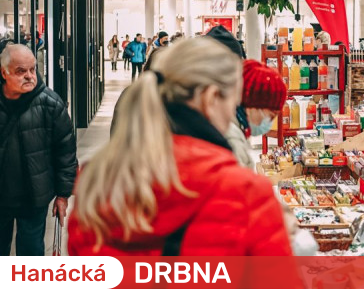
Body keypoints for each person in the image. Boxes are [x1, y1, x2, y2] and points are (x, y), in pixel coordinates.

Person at [69, 38, 292, 257]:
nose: (232, 114)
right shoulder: (245, 193)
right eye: (232, 103)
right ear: (210, 98)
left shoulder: (94, 182)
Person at [0, 44, 77, 256]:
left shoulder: (50, 104)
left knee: (31, 252)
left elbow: (66, 153)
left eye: (32, 69)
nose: (29, 76)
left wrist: (63, 194)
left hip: (34, 196)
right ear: (3, 72)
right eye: (20, 71)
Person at [225, 60, 287, 168]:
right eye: (271, 116)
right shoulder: (231, 138)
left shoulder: (233, 126)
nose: (269, 123)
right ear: (253, 104)